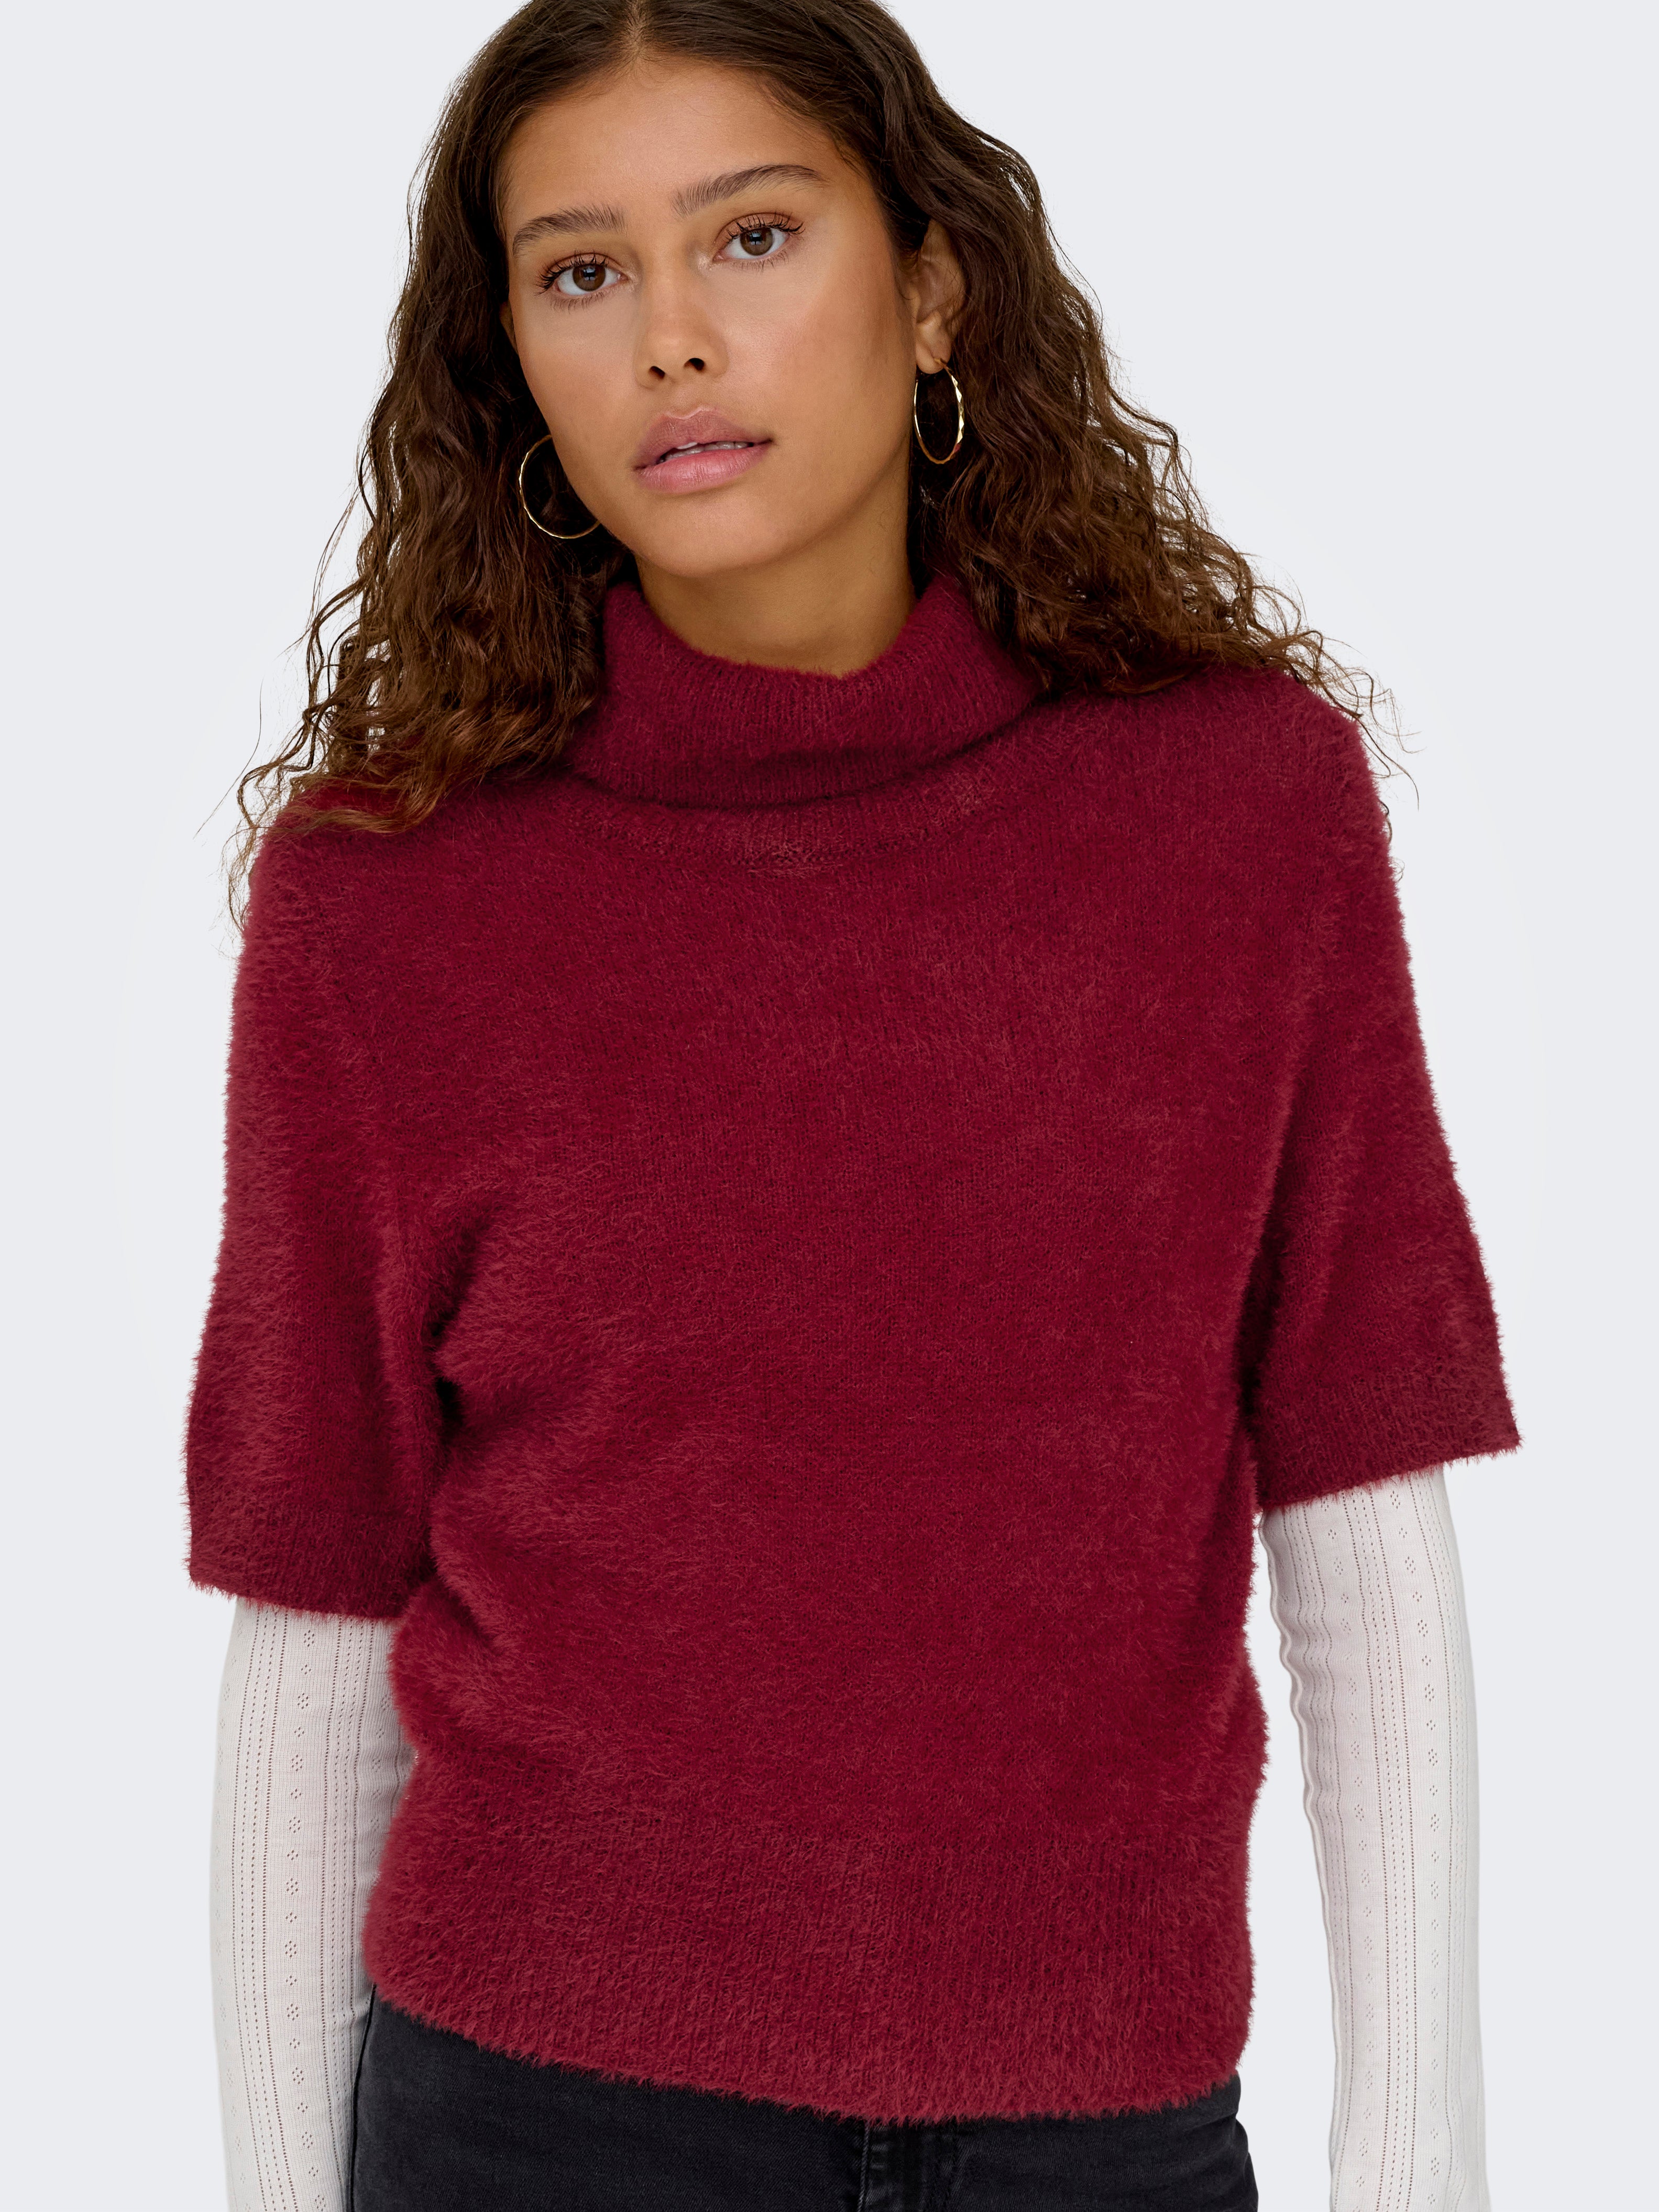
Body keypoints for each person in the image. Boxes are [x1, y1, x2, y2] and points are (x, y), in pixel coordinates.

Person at [186, 4, 1520, 2207]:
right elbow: (316, 1610)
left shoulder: (1242, 815)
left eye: (754, 236)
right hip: (537, 2124)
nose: (673, 341)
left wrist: (1417, 2163)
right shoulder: (390, 899)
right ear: (512, 360)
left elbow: (1362, 1516)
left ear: (931, 289)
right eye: (584, 271)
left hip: (1102, 2136)